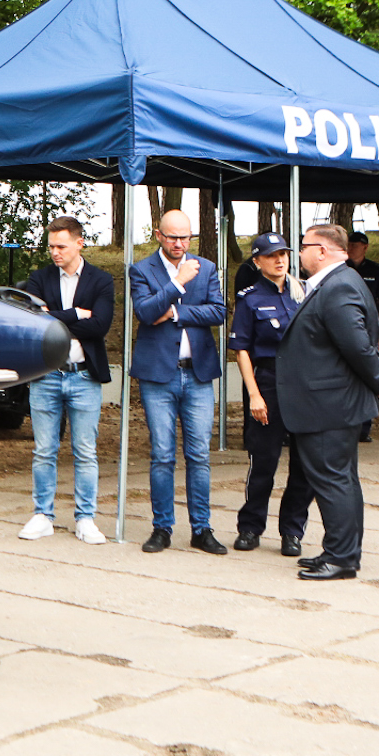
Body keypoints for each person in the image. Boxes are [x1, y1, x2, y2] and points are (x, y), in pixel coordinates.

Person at [275, 223, 379, 582]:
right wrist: (377, 371)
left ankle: (342, 558)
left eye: (304, 246)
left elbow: (356, 343)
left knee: (333, 481)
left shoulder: (339, 285)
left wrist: (377, 377)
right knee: (341, 479)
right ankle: (341, 551)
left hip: (329, 403)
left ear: (322, 251)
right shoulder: (340, 281)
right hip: (329, 400)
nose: (299, 253)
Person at [129, 208, 229, 554]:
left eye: (185, 237)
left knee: (199, 454)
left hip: (198, 373)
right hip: (158, 375)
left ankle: (202, 528)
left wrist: (173, 312)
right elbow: (144, 312)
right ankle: (162, 528)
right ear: (159, 235)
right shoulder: (141, 269)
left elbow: (219, 311)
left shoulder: (207, 268)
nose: (179, 244)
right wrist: (177, 283)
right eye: (172, 237)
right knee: (162, 455)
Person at [19, 216, 116, 545]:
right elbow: (34, 321)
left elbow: (100, 326)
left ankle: (85, 518)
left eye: (61, 246)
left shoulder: (100, 280)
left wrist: (55, 317)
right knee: (44, 450)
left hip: (84, 376)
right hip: (46, 374)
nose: (55, 252)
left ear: (79, 243)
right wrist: (77, 314)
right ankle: (42, 515)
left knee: (85, 451)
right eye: (51, 246)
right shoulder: (40, 278)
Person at [229, 231, 311, 555]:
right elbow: (242, 350)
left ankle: (292, 531)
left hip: (303, 384)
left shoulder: (303, 293)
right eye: (271, 255)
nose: (279, 260)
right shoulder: (249, 298)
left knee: (304, 465)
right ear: (257, 261)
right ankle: (250, 527)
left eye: (283, 254)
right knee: (263, 462)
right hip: (268, 381)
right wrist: (254, 394)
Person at [347, 230, 379, 442]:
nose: (352, 248)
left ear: (365, 247)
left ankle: (365, 427)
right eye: (349, 244)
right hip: (347, 327)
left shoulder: (376, 270)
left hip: (370, 330)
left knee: (369, 374)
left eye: (356, 244)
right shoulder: (341, 268)